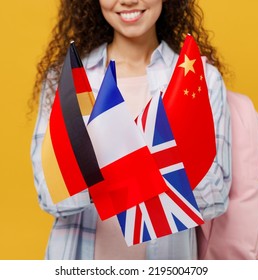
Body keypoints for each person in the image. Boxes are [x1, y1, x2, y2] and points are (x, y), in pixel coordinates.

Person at [30, 0, 231, 260]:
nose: (128, 0)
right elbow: (50, 193)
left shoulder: (199, 77)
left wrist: (111, 174)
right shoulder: (67, 78)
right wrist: (156, 170)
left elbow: (215, 196)